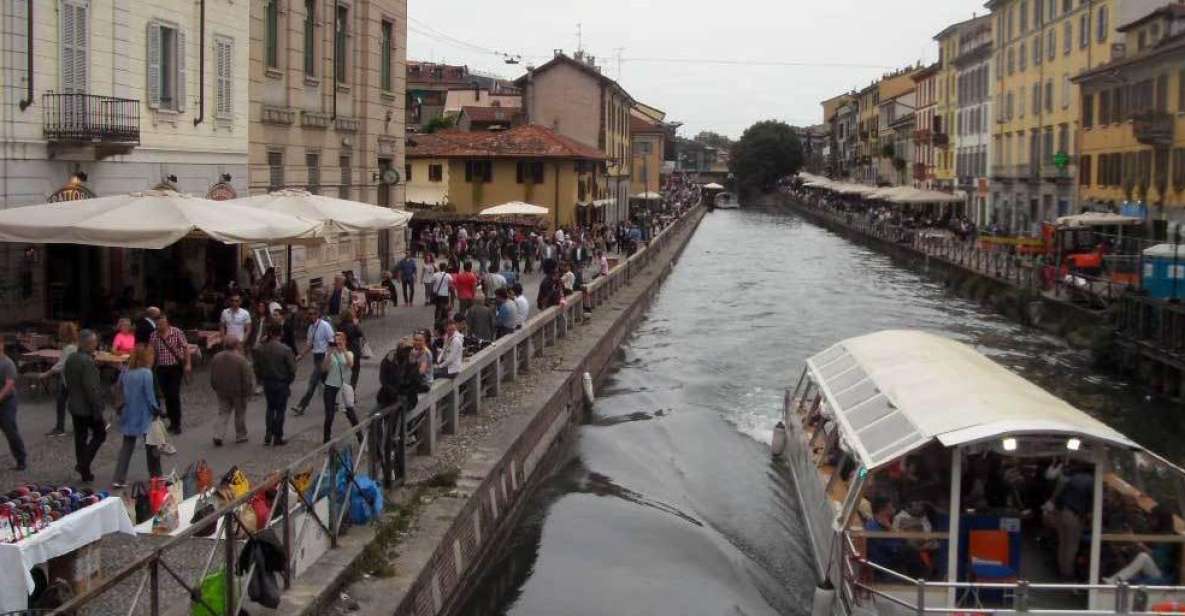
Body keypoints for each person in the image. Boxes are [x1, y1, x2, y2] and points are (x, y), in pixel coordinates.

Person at [111, 345, 162, 488]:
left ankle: (118, 478)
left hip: (128, 412)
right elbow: (149, 396)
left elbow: (118, 389)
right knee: (152, 446)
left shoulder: (125, 371)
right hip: (145, 414)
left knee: (126, 447)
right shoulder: (146, 373)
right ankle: (156, 476)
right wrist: (157, 411)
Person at [65, 330, 106, 482]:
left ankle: (85, 472)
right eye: (94, 343)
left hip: (75, 404)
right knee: (100, 434)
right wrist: (98, 408)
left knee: (80, 438)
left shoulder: (71, 358)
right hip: (87, 407)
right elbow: (91, 388)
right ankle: (83, 464)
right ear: (89, 344)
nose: (96, 345)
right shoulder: (87, 362)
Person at [1104, 506, 1179, 585]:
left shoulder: (1168, 537)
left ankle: (1115, 580)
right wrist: (1125, 548)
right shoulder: (1155, 532)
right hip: (1151, 569)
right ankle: (1116, 579)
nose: (1150, 520)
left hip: (1161, 574)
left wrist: (1136, 542)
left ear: (1161, 520)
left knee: (1143, 557)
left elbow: (1157, 558)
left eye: (1153, 518)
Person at [254, 322, 297, 446]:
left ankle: (268, 433)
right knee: (280, 410)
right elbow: (293, 368)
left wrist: (261, 378)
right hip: (281, 382)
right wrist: (289, 380)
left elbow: (256, 365)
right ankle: (278, 435)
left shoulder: (262, 348)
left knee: (270, 408)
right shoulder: (285, 349)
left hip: (268, 382)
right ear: (280, 333)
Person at [149, 314, 191, 434]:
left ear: (167, 323)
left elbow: (185, 348)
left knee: (174, 394)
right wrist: (150, 366)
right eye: (157, 324)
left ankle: (177, 423)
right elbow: (152, 352)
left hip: (175, 367)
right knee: (166, 395)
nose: (159, 326)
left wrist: (188, 364)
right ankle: (172, 422)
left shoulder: (176, 332)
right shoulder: (153, 335)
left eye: (161, 323)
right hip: (161, 368)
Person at [209, 337, 254, 446]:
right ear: (236, 345)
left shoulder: (216, 357)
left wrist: (215, 386)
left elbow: (213, 375)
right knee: (240, 413)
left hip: (222, 390)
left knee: (223, 413)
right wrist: (249, 391)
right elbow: (247, 378)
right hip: (238, 391)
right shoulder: (241, 360)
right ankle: (241, 435)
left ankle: (218, 435)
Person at [293, 305, 335, 416]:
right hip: (316, 357)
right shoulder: (311, 328)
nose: (311, 316)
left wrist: (328, 358)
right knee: (327, 382)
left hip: (323, 357)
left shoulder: (325, 326)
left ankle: (301, 406)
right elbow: (310, 345)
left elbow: (332, 343)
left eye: (313, 313)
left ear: (318, 314)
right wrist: (300, 355)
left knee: (313, 382)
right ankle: (335, 402)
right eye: (309, 314)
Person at [40, 321, 79, 437]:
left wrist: (47, 373)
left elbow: (62, 364)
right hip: (66, 380)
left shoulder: (70, 348)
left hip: (70, 381)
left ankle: (86, 426)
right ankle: (60, 428)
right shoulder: (70, 346)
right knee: (62, 403)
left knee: (73, 405)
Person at [322, 332, 360, 443]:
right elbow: (324, 369)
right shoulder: (330, 354)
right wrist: (329, 354)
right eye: (336, 341)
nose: (337, 344)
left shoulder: (349, 353)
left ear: (344, 342)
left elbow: (350, 364)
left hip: (343, 387)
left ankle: (360, 437)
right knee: (329, 415)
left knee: (351, 414)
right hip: (330, 387)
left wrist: (343, 350)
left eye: (340, 341)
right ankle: (326, 440)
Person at [0, 338, 27, 471]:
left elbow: (9, 384)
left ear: (2, 345)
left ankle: (21, 459)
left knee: (10, 430)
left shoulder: (7, 363)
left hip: (7, 402)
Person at [337, 308, 365, 389]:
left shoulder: (340, 326)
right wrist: (356, 324)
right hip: (354, 351)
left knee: (344, 372)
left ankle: (342, 389)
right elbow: (361, 334)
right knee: (355, 372)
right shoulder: (353, 326)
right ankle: (352, 390)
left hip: (344, 351)